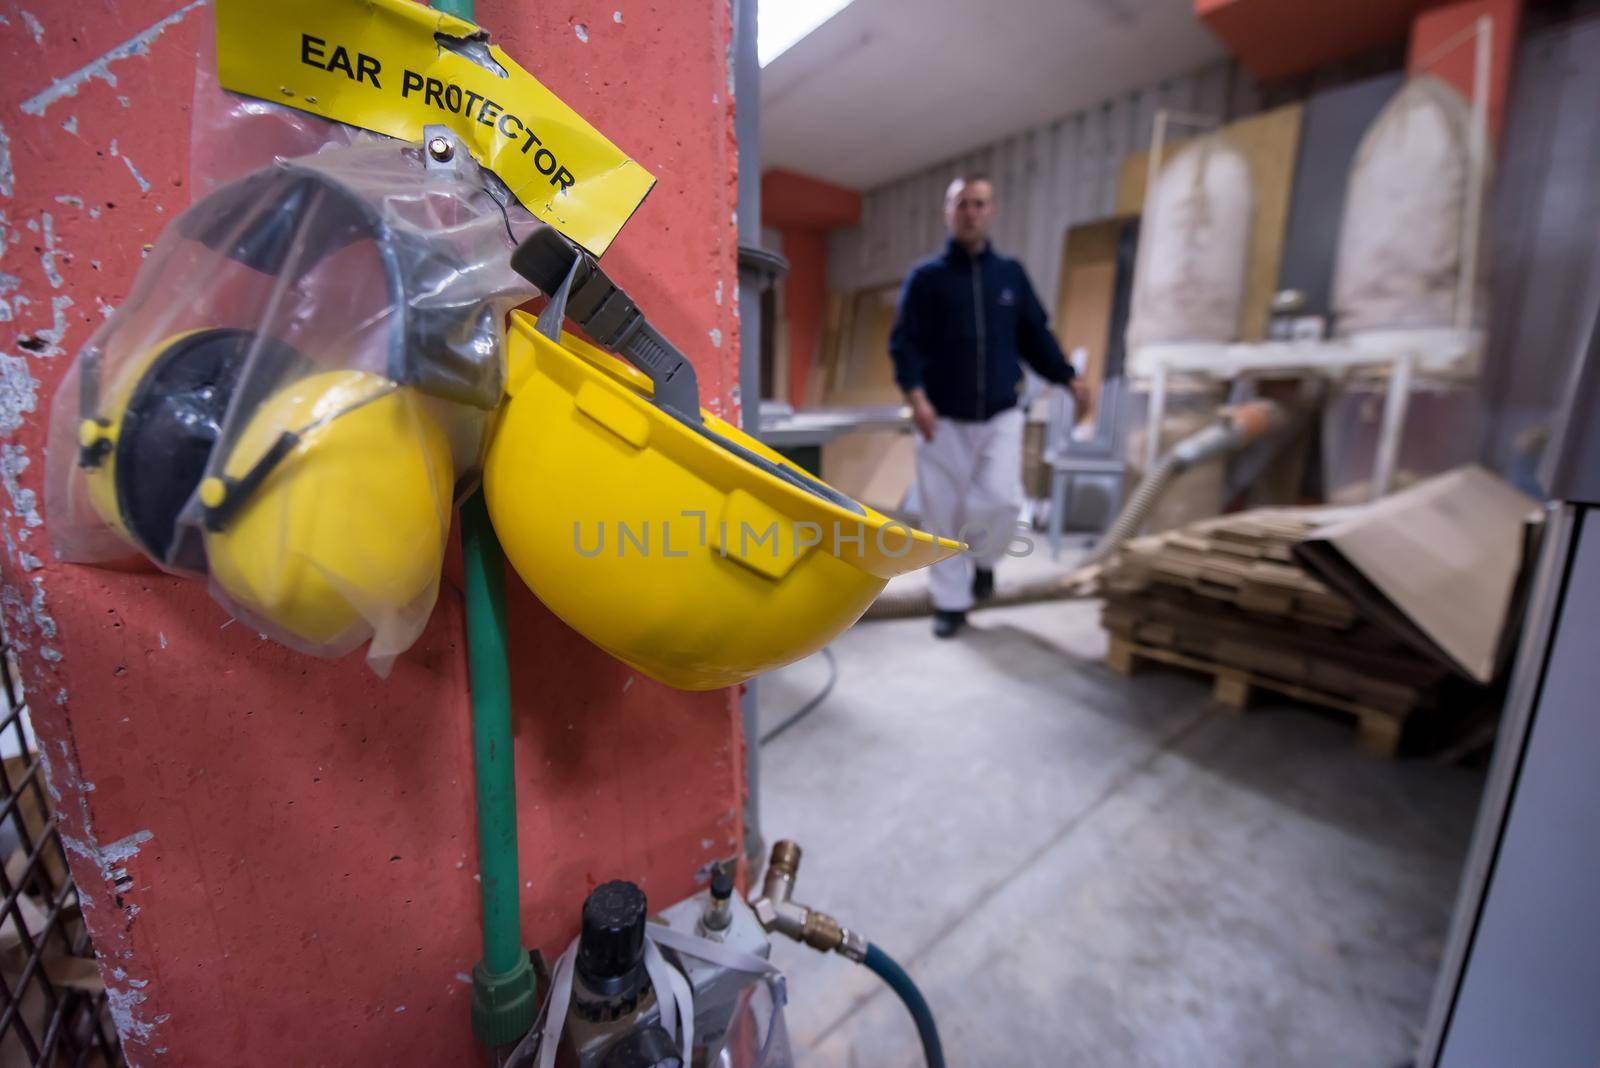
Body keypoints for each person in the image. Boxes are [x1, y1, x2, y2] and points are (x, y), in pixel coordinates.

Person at [889, 175, 1090, 638]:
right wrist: (916, 398)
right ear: (948, 211)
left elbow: (1035, 337)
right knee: (942, 514)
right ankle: (950, 604)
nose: (971, 212)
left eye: (979, 204)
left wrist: (1067, 377)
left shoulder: (1010, 276)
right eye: (962, 204)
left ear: (991, 210)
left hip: (1001, 414)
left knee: (1000, 501)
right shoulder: (927, 279)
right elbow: (904, 345)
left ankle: (985, 561)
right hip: (940, 417)